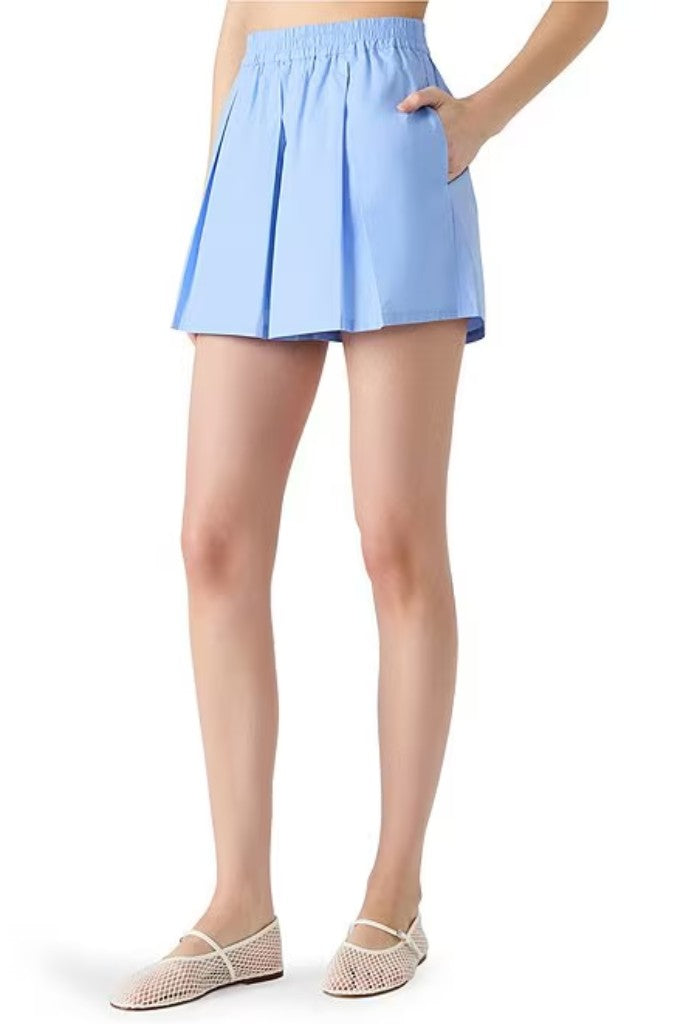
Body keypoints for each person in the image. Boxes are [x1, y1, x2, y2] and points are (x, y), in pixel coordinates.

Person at [111, 0, 608, 1008]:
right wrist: (224, 181)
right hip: (257, 139)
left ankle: (396, 890)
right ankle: (240, 905)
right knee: (213, 539)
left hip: (387, 125)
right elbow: (240, 15)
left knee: (394, 537)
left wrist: (483, 115)